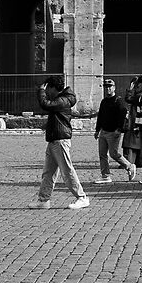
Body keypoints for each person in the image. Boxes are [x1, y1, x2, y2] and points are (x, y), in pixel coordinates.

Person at [33, 80, 89, 209]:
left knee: (67, 171)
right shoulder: (60, 100)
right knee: (48, 172)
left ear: (54, 88)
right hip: (54, 139)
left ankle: (82, 197)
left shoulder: (62, 100)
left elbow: (45, 105)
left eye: (48, 89)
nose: (47, 92)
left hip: (61, 140)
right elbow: (57, 117)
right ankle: (43, 200)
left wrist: (41, 91)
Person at [94, 80, 134, 184]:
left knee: (114, 153)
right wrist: (97, 130)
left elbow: (123, 115)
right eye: (106, 87)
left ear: (114, 88)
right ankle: (105, 175)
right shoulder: (104, 101)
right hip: (103, 131)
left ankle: (129, 166)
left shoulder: (118, 100)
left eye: (110, 87)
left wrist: (119, 129)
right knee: (102, 154)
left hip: (114, 132)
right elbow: (100, 116)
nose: (108, 89)